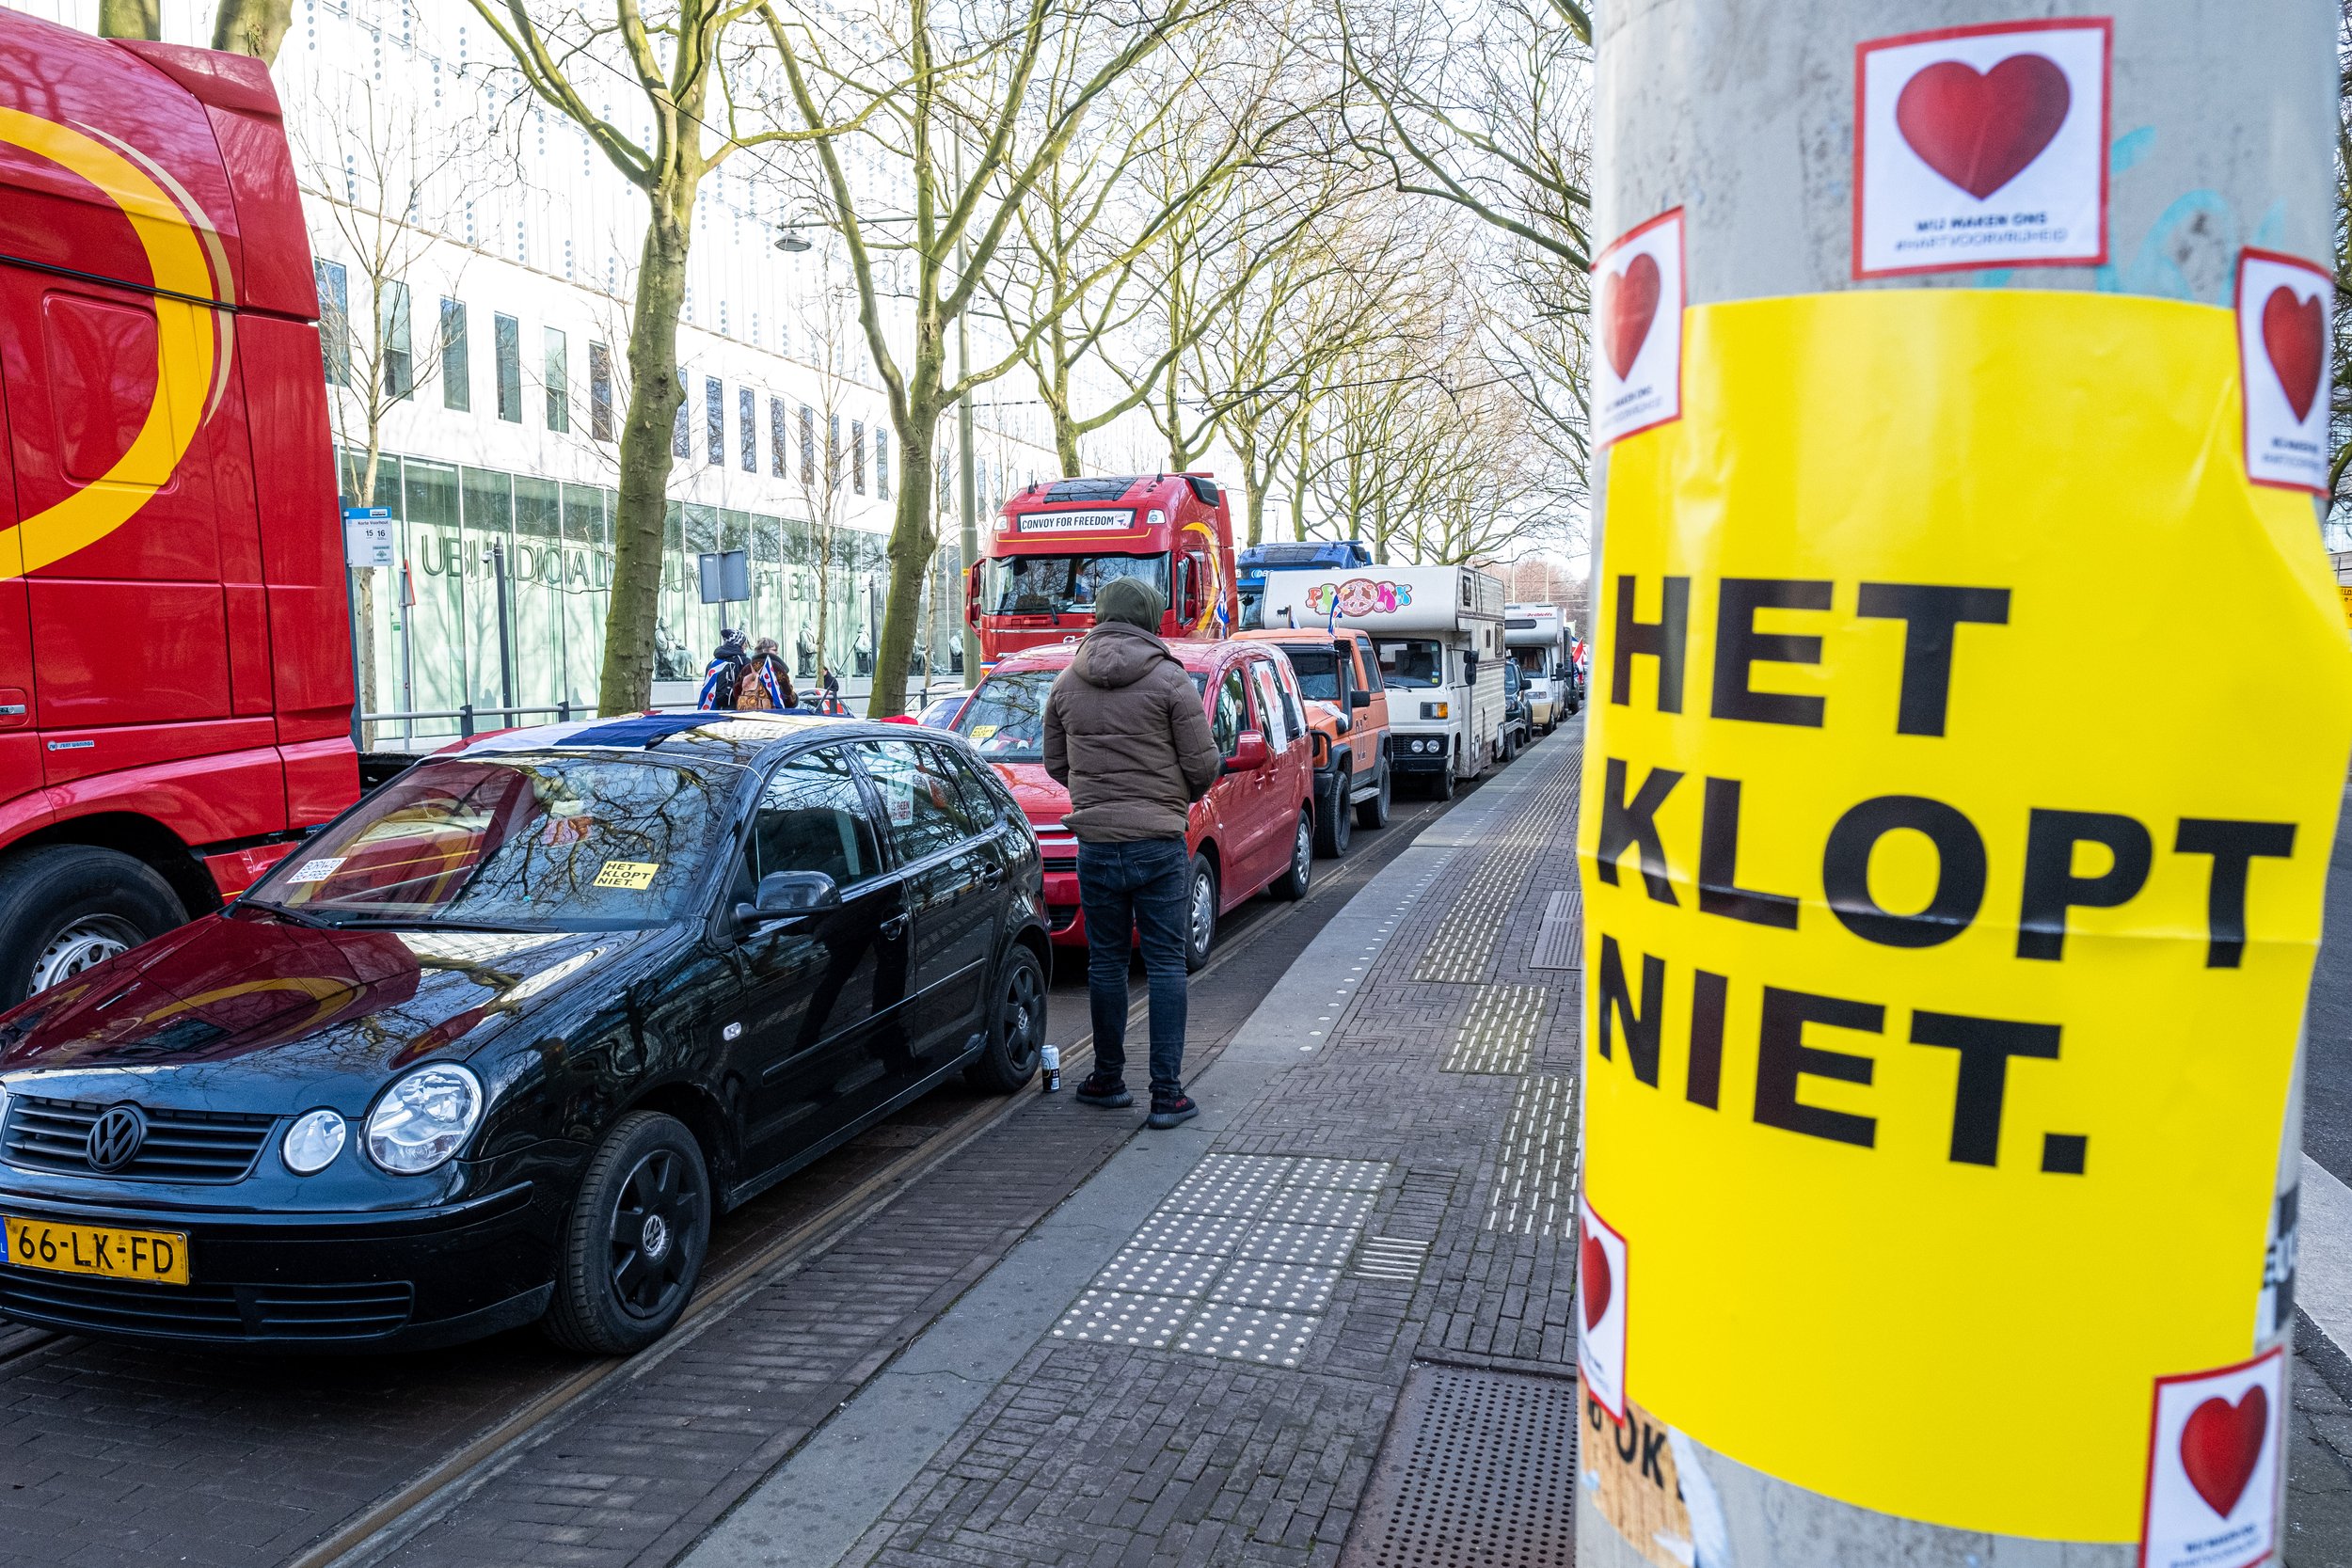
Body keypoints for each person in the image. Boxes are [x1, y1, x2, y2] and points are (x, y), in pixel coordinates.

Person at [1041, 577, 1220, 1128]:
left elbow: (1055, 765)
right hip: (1159, 844)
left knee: (1107, 964)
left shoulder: (1067, 682)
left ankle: (1106, 1078)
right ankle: (1166, 1094)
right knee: (1166, 964)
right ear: (1147, 618)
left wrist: (1095, 796)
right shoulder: (1171, 681)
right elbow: (1203, 765)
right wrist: (1174, 798)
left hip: (1095, 845)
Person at [737, 637, 796, 711]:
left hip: (749, 710)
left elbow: (737, 688)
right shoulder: (775, 666)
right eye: (774, 650)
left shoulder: (747, 667)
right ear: (765, 650)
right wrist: (793, 701)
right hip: (772, 711)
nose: (777, 653)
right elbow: (786, 690)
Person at [697, 629, 748, 711]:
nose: (746, 646)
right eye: (745, 643)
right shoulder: (743, 661)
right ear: (740, 644)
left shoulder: (713, 662)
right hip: (735, 707)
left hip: (713, 706)